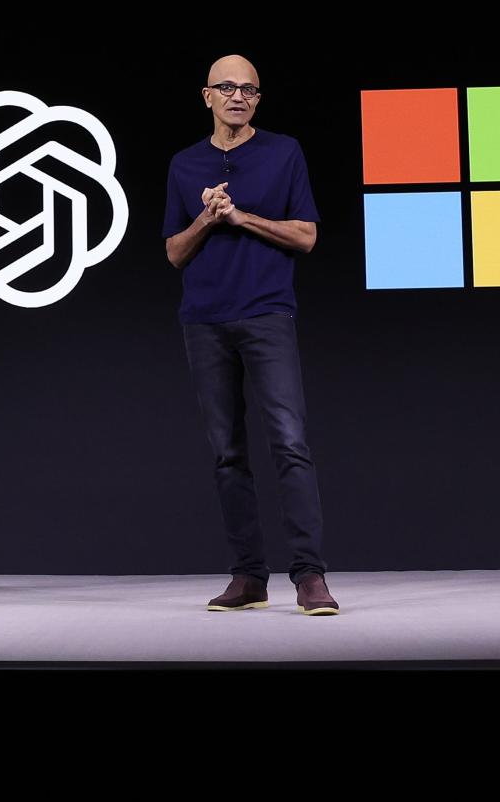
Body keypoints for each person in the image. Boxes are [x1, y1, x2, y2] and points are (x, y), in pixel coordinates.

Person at [163, 54, 339, 615]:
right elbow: (173, 251)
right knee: (227, 453)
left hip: (266, 314)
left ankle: (310, 577)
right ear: (207, 96)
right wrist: (206, 220)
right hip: (205, 321)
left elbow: (307, 236)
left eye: (250, 89)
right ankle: (248, 577)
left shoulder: (283, 152)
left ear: (258, 100)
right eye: (227, 87)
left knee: (289, 442)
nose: (239, 96)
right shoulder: (184, 165)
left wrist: (242, 218)